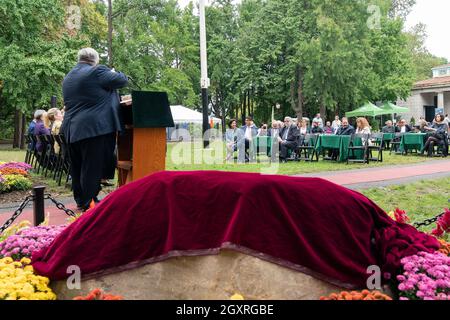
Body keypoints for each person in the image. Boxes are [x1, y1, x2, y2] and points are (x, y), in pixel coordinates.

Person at [62, 48, 128, 211]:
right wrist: (114, 71)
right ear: (95, 60)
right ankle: (89, 203)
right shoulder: (97, 71)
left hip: (72, 129)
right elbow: (122, 80)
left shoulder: (69, 76)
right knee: (92, 166)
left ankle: (81, 199)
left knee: (77, 166)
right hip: (94, 128)